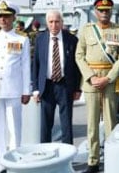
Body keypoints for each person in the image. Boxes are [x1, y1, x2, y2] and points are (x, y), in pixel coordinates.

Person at [75, 0, 119, 173]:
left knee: (111, 122)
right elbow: (79, 55)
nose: (104, 13)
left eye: (107, 10)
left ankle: (112, 159)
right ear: (95, 12)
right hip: (92, 81)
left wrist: (109, 78)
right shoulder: (86, 30)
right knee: (92, 122)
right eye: (101, 10)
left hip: (110, 81)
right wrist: (91, 77)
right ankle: (93, 160)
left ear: (111, 11)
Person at [0, 1, 31, 173]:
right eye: (0, 16)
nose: (3, 19)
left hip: (14, 89)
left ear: (13, 17)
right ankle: (0, 160)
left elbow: (26, 66)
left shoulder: (22, 39)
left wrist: (26, 91)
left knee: (14, 126)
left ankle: (15, 158)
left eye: (6, 16)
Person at [32, 10, 82, 144]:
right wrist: (35, 88)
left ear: (62, 22)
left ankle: (67, 154)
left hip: (65, 85)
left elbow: (77, 66)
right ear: (47, 23)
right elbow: (36, 65)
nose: (54, 25)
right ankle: (45, 153)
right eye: (51, 22)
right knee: (45, 123)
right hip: (46, 86)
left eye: (57, 22)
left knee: (66, 123)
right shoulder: (40, 39)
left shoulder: (72, 39)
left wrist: (78, 89)